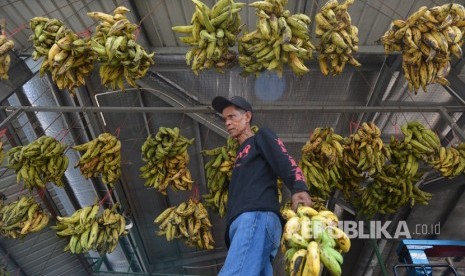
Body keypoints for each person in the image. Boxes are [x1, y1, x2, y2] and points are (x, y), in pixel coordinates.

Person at [211, 96, 313, 276]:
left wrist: (298, 188)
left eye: (232, 117)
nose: (227, 123)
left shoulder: (260, 137)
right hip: (247, 223)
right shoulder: (239, 154)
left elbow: (283, 157)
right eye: (225, 119)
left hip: (255, 217)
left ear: (247, 117)